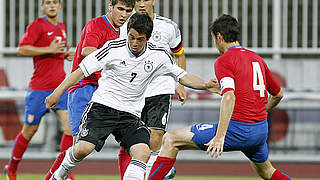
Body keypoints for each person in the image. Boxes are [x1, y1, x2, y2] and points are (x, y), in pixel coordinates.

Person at [45, 13, 219, 180]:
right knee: (82, 149)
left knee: (143, 152)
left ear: (148, 38)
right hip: (103, 107)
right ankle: (58, 175)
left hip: (130, 115)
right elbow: (81, 71)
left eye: (140, 39)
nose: (134, 43)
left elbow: (183, 76)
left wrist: (205, 85)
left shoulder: (159, 55)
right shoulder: (113, 48)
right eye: (131, 37)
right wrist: (57, 92)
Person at [147, 14, 293, 180]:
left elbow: (229, 97)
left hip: (237, 130)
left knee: (170, 139)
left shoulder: (225, 60)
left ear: (219, 36)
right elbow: (278, 94)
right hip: (259, 131)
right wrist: (260, 111)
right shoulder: (257, 59)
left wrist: (220, 137)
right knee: (267, 171)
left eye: (214, 39)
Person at [44, 0, 136, 179]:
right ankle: (52, 177)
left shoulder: (126, 31)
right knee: (80, 146)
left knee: (130, 140)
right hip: (84, 88)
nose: (124, 15)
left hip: (108, 92)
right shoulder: (97, 24)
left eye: (128, 11)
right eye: (120, 9)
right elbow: (88, 50)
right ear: (110, 6)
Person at [3, 0, 75, 180]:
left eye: (55, 2)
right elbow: (21, 49)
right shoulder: (37, 26)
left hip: (59, 87)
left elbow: (55, 53)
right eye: (47, 3)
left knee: (69, 129)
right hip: (39, 89)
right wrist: (48, 49)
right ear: (42, 6)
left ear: (60, 5)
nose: (51, 6)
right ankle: (11, 168)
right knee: (29, 131)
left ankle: (63, 171)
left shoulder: (61, 27)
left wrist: (65, 54)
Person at [118, 0, 187, 179]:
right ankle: (151, 171)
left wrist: (180, 83)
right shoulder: (123, 26)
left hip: (160, 88)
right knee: (132, 140)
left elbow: (179, 54)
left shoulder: (168, 26)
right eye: (137, 0)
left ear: (153, 1)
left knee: (155, 136)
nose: (141, 4)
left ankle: (153, 173)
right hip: (134, 90)